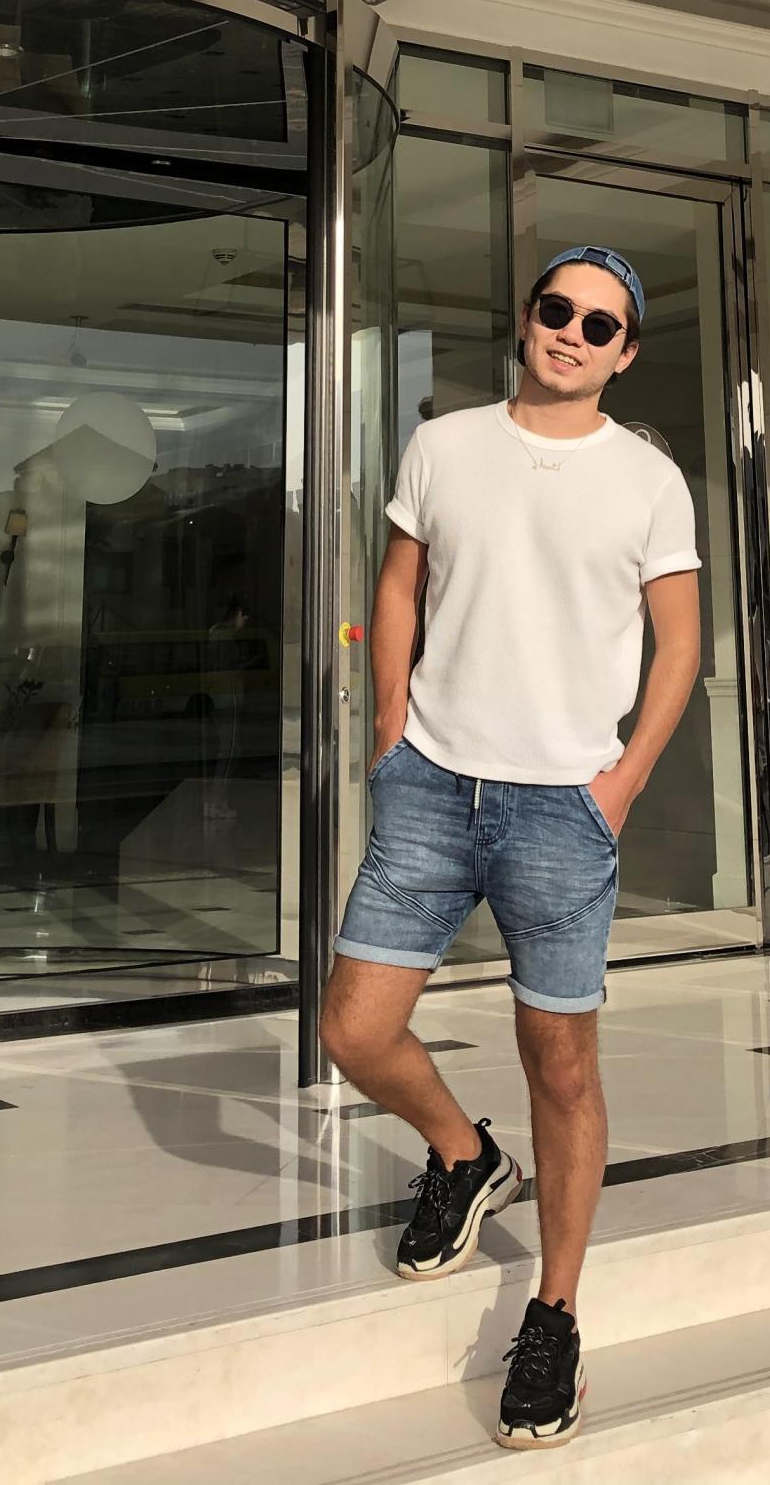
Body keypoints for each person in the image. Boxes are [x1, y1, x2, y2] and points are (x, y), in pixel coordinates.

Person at [320, 244, 703, 1450]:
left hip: (562, 809)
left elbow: (682, 645)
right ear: (527, 319)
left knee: (563, 1067)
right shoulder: (444, 444)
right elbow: (399, 585)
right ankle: (464, 1152)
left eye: (600, 324)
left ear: (624, 353)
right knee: (354, 1029)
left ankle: (554, 1312)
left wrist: (621, 783)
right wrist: (391, 726)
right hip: (432, 786)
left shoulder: (649, 479)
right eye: (557, 309)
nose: (572, 333)